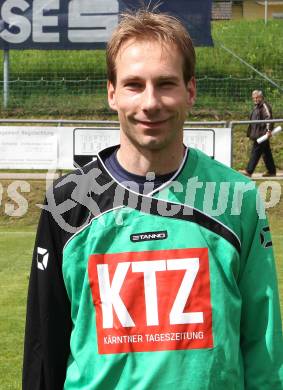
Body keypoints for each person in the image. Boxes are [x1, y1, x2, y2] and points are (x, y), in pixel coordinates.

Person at [23, 10, 283, 390]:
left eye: (165, 84)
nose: (150, 102)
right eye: (133, 85)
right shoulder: (68, 201)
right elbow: (44, 350)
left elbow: (263, 346)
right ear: (111, 93)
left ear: (190, 91)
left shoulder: (237, 198)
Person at [243, 90, 276, 177]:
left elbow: (269, 118)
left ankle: (248, 171)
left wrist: (268, 130)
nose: (255, 99)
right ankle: (271, 171)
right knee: (266, 152)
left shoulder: (264, 106)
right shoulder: (256, 107)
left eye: (257, 97)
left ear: (261, 97)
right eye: (253, 98)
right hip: (258, 134)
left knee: (256, 151)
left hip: (262, 134)